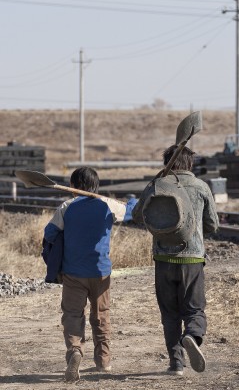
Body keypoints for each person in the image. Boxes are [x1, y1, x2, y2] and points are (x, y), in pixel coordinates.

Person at [43, 167, 137, 382]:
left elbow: (49, 233)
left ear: (74, 186)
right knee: (101, 314)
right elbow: (133, 211)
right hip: (101, 272)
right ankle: (103, 360)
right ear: (96, 186)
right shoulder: (107, 205)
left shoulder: (67, 207)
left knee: (73, 315)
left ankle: (75, 351)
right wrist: (131, 201)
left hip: (73, 272)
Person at [132, 145, 219, 377]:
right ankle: (192, 335)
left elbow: (137, 216)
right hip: (191, 259)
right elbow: (213, 224)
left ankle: (176, 364)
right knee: (194, 308)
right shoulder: (201, 187)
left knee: (170, 314)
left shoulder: (156, 185)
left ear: (167, 162)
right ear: (190, 164)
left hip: (163, 258)